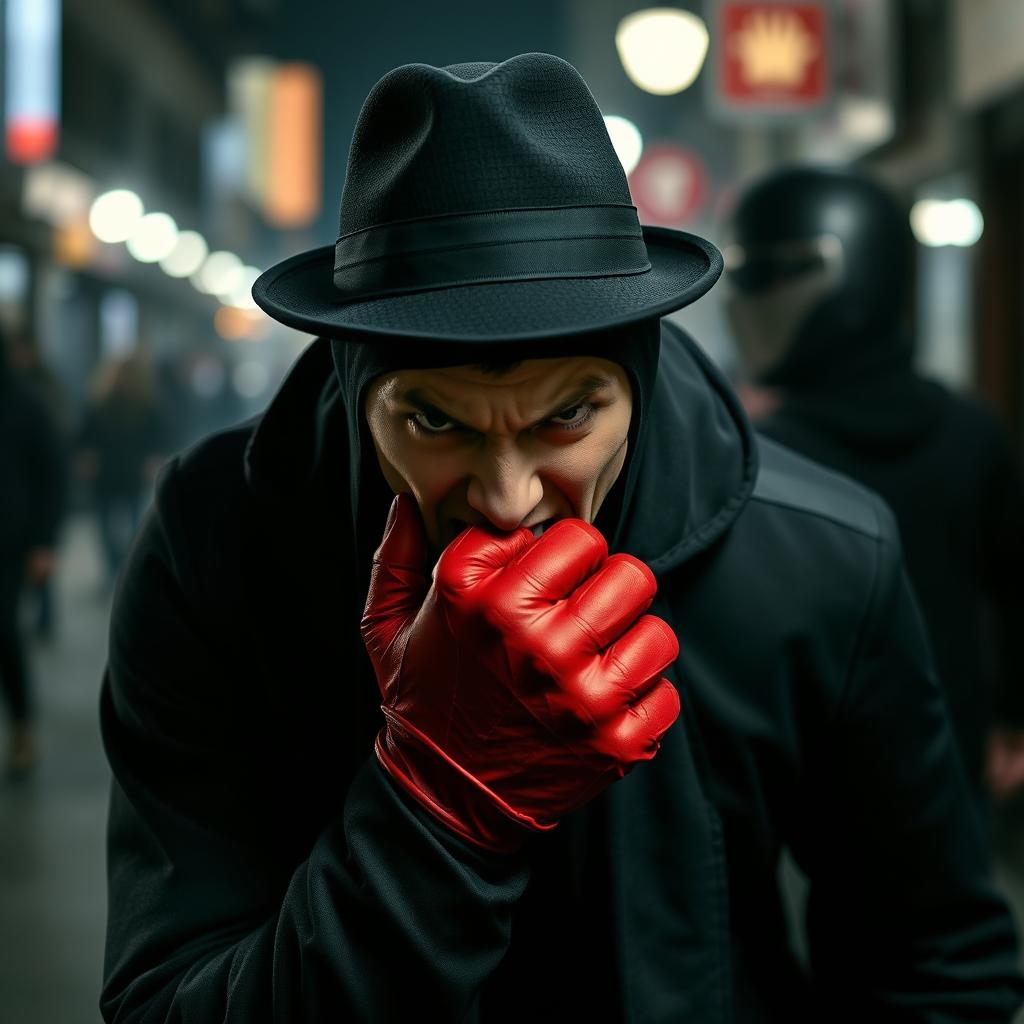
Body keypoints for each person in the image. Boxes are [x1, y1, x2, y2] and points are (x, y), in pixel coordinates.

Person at [99, 54, 1024, 1022]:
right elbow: (165, 998)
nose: (506, 500)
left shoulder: (814, 554)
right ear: (353, 389)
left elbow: (937, 969)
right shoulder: (216, 545)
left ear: (636, 380)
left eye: (566, 416)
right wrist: (433, 808)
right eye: (434, 422)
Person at [722, 165, 1024, 804]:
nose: (742, 297)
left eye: (766, 273)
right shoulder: (973, 430)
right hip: (950, 744)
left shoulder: (756, 456)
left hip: (798, 776)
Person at [0, 326, 64, 777]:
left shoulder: (25, 403)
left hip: (9, 539)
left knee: (4, 635)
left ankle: (22, 729)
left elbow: (51, 475)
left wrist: (44, 542)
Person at [78, 349, 167, 589]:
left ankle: (126, 569)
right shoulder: (101, 401)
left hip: (130, 473)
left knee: (132, 525)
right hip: (107, 473)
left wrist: (153, 459)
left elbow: (158, 436)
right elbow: (86, 434)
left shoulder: (147, 405)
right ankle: (117, 568)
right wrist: (86, 457)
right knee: (106, 526)